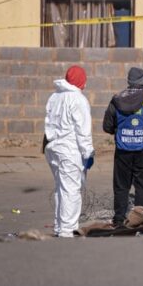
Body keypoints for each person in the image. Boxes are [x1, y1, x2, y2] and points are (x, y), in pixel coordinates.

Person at [103, 67, 143, 226]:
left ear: (129, 81)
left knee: (121, 187)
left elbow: (107, 126)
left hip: (123, 151)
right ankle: (140, 220)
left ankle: (119, 219)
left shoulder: (117, 99)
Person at [44, 65, 94, 238]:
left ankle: (59, 226)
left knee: (61, 188)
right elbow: (83, 130)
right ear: (81, 81)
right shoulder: (78, 100)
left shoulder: (54, 97)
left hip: (53, 147)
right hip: (69, 149)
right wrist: (88, 153)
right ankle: (67, 230)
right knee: (71, 190)